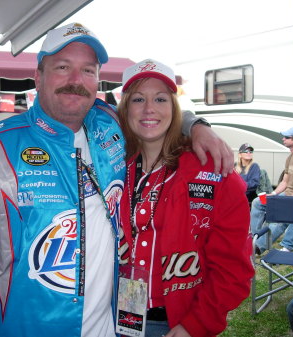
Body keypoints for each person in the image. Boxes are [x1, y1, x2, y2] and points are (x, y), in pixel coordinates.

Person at [0, 23, 235, 337]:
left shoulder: (109, 125)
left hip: (109, 328)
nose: (76, 81)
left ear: (97, 80)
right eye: (63, 67)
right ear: (38, 76)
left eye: (87, 70)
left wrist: (197, 125)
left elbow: (153, 110)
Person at [117, 59, 254, 337]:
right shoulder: (112, 165)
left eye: (160, 99)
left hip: (173, 324)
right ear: (125, 108)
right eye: (138, 99)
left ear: (174, 107)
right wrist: (196, 124)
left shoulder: (213, 170)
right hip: (110, 315)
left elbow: (234, 269)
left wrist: (196, 325)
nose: (149, 109)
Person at [252, 126, 293, 253]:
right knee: (258, 202)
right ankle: (253, 237)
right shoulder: (290, 157)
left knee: (281, 217)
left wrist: (288, 203)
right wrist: (273, 194)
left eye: (286, 137)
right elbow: (285, 182)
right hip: (286, 194)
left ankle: (258, 247)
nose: (283, 139)